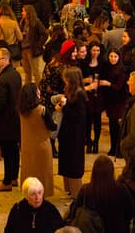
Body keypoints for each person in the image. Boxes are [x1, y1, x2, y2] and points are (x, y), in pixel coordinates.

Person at [71, 155, 134, 233]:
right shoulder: (122, 189)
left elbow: (74, 213)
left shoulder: (86, 190)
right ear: (111, 171)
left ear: (94, 171)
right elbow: (131, 212)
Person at [0, 47, 23, 192]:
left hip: (5, 120)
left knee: (8, 151)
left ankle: (7, 181)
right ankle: (14, 178)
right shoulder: (15, 74)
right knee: (14, 150)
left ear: (5, 59)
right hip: (15, 118)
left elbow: (0, 102)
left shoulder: (3, 78)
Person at [18, 83, 57, 197]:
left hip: (27, 147)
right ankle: (41, 195)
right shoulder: (42, 110)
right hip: (42, 147)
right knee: (43, 174)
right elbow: (52, 126)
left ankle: (28, 193)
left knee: (28, 172)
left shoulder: (22, 111)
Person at [57, 66, 87, 197]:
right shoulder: (69, 90)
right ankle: (69, 189)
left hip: (75, 134)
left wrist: (64, 108)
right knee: (66, 161)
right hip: (67, 133)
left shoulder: (80, 94)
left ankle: (76, 192)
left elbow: (79, 116)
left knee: (73, 163)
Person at [100, 49, 128, 156]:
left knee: (117, 127)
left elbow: (118, 87)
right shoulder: (107, 68)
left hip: (119, 101)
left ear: (119, 57)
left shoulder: (121, 70)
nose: (112, 59)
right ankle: (113, 148)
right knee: (112, 126)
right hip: (110, 101)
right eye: (111, 56)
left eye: (115, 57)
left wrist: (108, 84)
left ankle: (119, 150)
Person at [21, 4, 48, 85]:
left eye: (23, 11)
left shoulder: (36, 22)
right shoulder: (22, 22)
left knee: (36, 72)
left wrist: (38, 45)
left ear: (28, 12)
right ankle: (27, 89)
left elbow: (45, 34)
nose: (22, 13)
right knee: (27, 72)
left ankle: (39, 89)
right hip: (23, 49)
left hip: (32, 49)